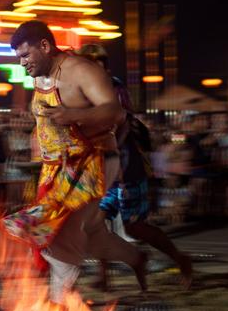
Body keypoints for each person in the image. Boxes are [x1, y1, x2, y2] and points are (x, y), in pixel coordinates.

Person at [0, 21, 147, 311]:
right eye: (19, 59)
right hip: (56, 169)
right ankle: (136, 257)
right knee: (91, 236)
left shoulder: (82, 70)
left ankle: (59, 303)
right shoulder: (41, 75)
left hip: (94, 162)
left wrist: (75, 114)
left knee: (59, 231)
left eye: (26, 56)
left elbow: (115, 112)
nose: (22, 64)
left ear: (45, 46)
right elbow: (44, 118)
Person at [78, 44, 193, 291]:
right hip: (101, 167)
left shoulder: (114, 87)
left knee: (135, 227)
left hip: (127, 165)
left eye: (93, 63)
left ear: (102, 65)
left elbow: (119, 127)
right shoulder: (85, 91)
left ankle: (181, 259)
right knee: (95, 223)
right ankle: (104, 277)